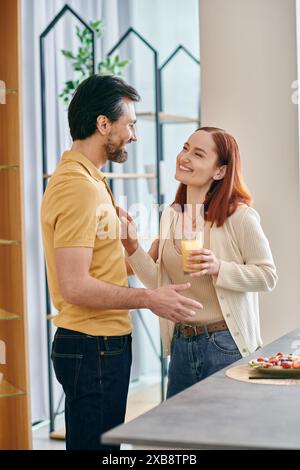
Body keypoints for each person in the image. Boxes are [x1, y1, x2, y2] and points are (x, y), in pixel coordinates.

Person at [40, 75, 202, 450]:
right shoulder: (78, 187)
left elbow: (105, 267)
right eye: (129, 124)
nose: (133, 135)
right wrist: (150, 299)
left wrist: (154, 245)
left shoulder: (92, 180)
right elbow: (75, 285)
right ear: (103, 124)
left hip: (100, 345)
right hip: (92, 345)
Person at [121, 126, 278, 398]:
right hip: (182, 345)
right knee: (179, 436)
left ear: (219, 171)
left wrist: (220, 268)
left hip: (225, 345)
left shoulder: (239, 217)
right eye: (185, 148)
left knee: (224, 436)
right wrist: (132, 247)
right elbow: (159, 282)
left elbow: (267, 276)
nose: (185, 157)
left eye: (198, 153)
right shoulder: (170, 215)